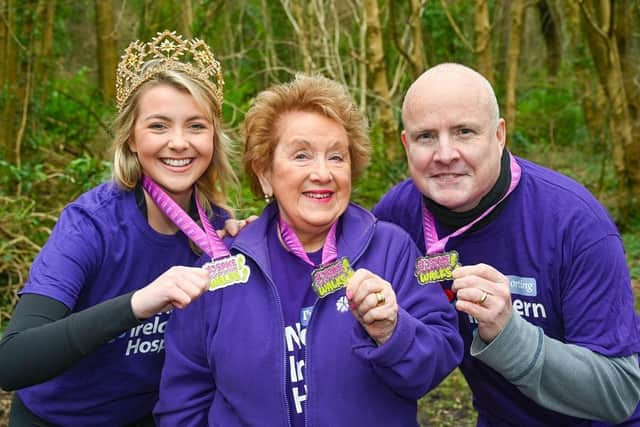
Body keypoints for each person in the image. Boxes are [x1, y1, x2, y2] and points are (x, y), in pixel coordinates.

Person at [153, 74, 464, 426]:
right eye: (302, 155)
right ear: (265, 172)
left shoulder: (389, 249)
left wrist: (392, 331)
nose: (322, 173)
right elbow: (183, 399)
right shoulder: (219, 268)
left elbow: (436, 361)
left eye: (336, 157)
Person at [373, 62, 640, 426]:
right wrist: (274, 230)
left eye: (464, 132)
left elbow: (621, 393)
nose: (445, 154)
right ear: (405, 143)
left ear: (499, 136)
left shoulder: (575, 223)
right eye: (426, 136)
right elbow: (331, 274)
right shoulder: (396, 216)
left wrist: (510, 334)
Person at [0, 30, 237, 426]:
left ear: (213, 138)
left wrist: (257, 245)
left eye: (196, 126)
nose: (179, 143)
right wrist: (139, 303)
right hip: (54, 420)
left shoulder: (218, 232)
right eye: (159, 126)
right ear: (130, 138)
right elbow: (12, 359)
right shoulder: (90, 224)